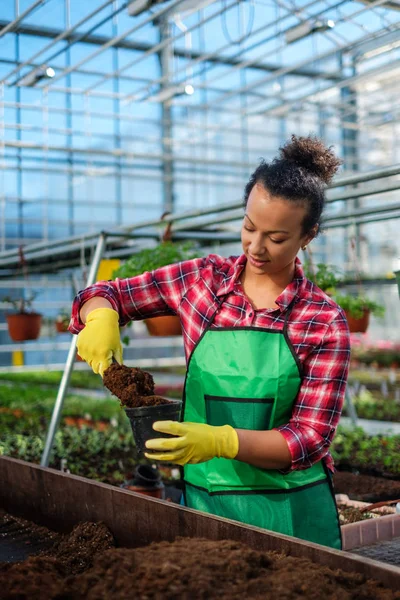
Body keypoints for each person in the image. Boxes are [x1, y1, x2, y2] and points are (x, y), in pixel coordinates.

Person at [69, 135, 350, 549]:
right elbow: (108, 293)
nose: (256, 247)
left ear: (308, 236)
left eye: (276, 238)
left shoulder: (323, 320)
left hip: (292, 511)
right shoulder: (201, 281)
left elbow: (309, 438)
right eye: (249, 227)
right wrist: (99, 315)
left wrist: (222, 440)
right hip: (207, 501)